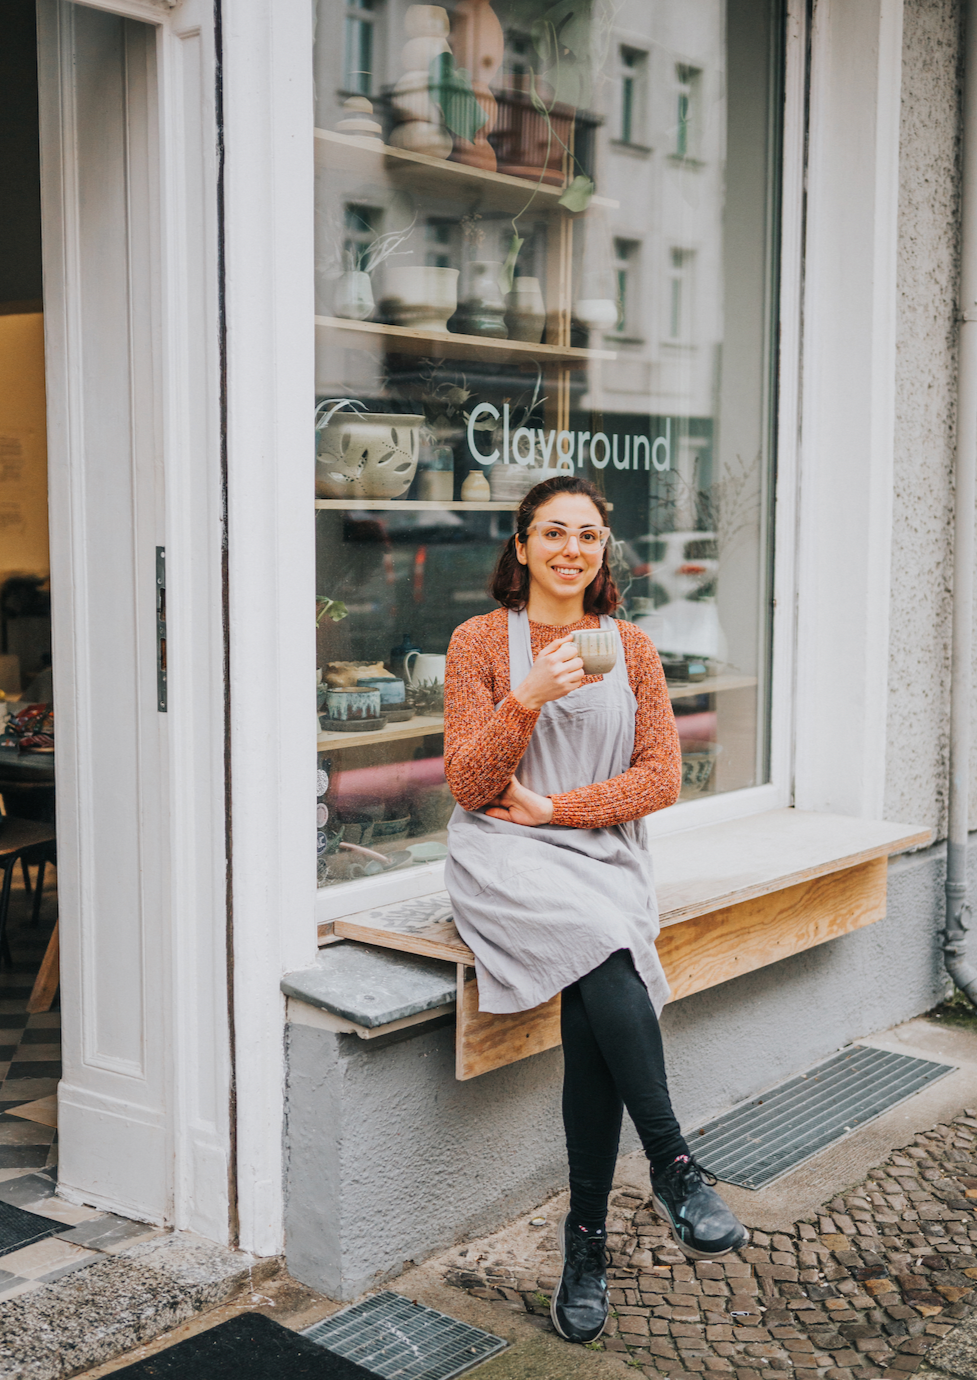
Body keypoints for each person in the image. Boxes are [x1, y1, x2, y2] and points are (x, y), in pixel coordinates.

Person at [443, 474, 748, 1346]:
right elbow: (468, 784)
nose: (571, 550)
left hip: (596, 847)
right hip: (502, 855)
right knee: (606, 941)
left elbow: (661, 776)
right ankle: (674, 1165)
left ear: (602, 550)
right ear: (521, 544)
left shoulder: (634, 647)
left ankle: (585, 1241)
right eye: (553, 533)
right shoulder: (475, 643)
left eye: (587, 536)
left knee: (597, 981)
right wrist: (528, 692)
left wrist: (560, 809)